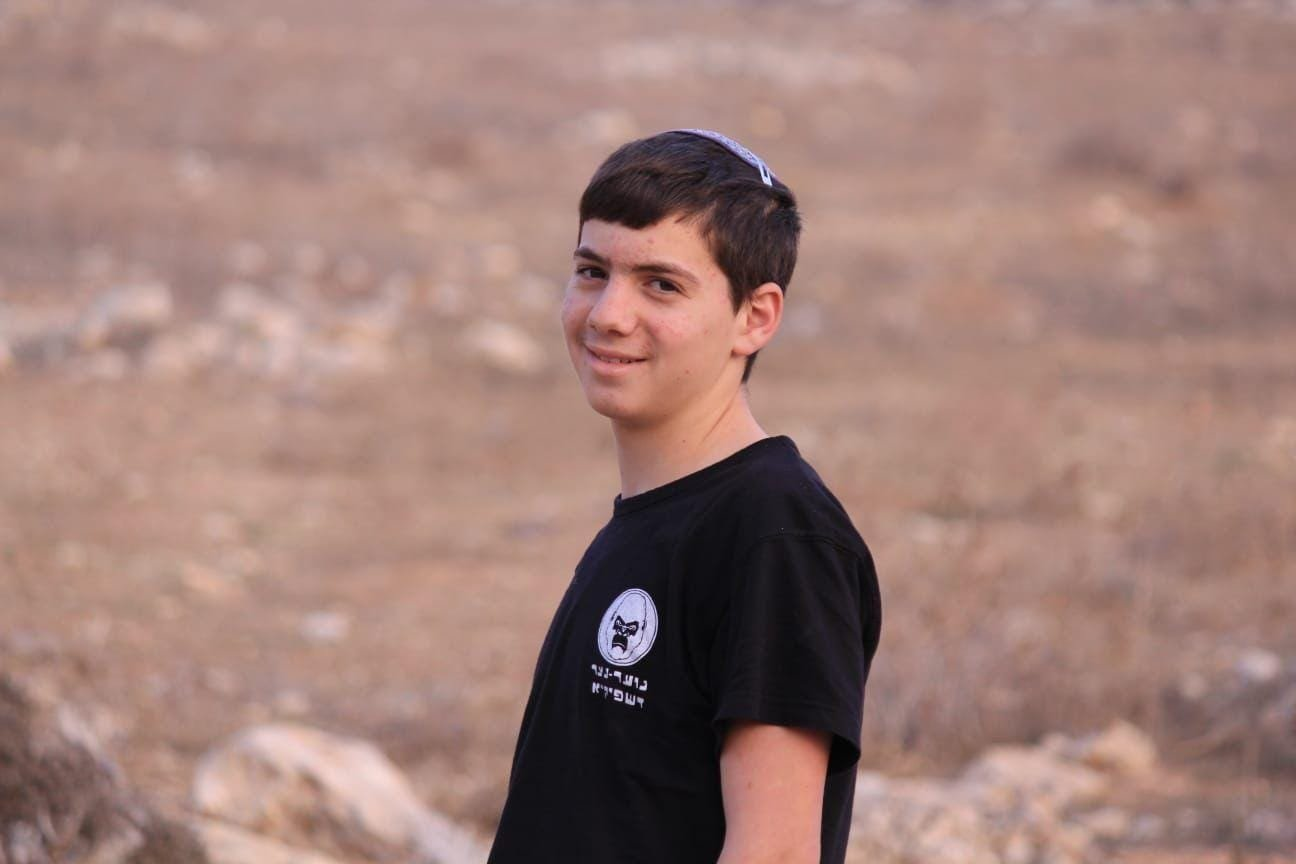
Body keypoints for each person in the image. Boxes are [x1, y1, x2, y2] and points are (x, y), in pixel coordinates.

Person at [487, 129, 882, 864]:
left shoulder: (776, 535)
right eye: (592, 271)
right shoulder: (654, 517)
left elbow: (774, 855)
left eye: (661, 284)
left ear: (755, 317)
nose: (608, 314)